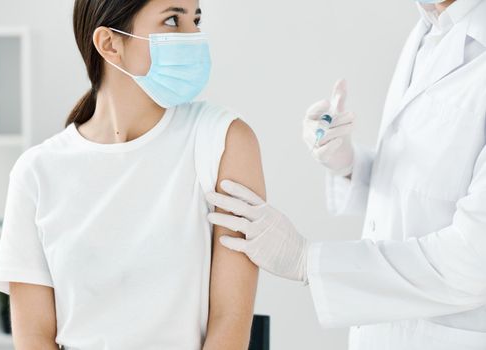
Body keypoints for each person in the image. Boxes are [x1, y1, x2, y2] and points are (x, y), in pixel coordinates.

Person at [205, 0, 486, 349]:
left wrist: (307, 260)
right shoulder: (431, 28)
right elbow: (430, 188)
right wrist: (349, 164)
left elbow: (474, 264)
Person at [0, 0, 264, 349]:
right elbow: (34, 336)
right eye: (173, 20)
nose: (194, 36)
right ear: (109, 44)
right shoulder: (37, 172)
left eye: (196, 19)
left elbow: (230, 321)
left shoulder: (224, 141)